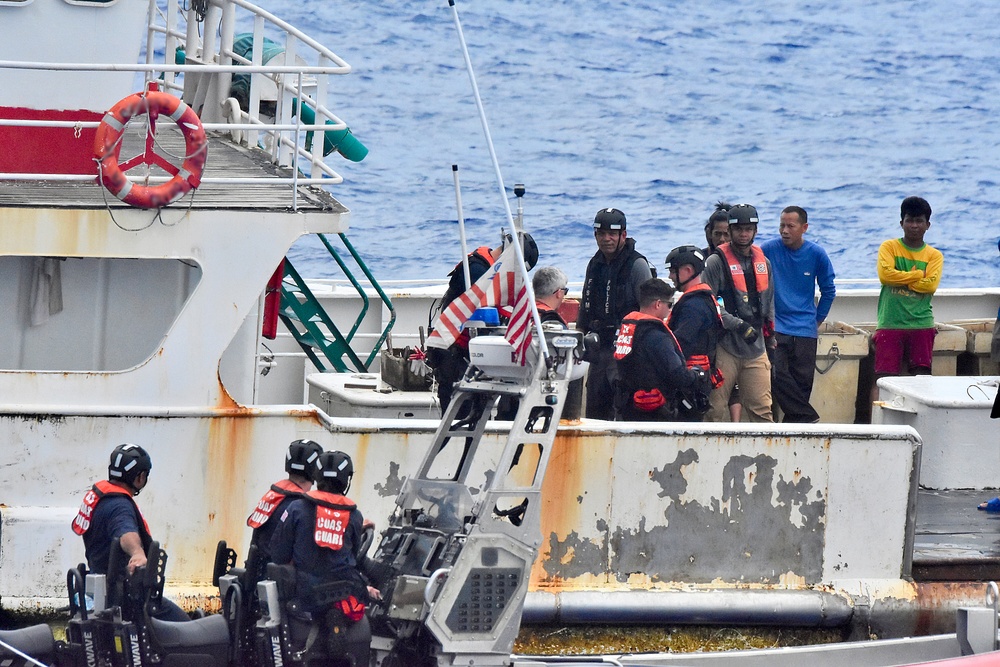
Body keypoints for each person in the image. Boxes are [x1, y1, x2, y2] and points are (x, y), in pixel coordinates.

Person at [269, 450, 378, 663]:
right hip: (341, 592)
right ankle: (338, 622)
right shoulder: (354, 516)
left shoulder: (296, 508)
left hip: (304, 593)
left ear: (317, 477)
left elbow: (278, 553)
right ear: (346, 481)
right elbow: (354, 557)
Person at [71, 443, 190, 622]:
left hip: (103, 589)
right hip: (126, 598)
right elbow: (125, 533)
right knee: (188, 628)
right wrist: (138, 553)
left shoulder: (101, 499)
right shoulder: (120, 506)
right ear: (140, 477)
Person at [429, 231, 538, 411]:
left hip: (469, 353)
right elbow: (486, 306)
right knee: (459, 412)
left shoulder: (488, 269)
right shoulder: (477, 271)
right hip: (454, 354)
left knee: (474, 409)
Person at [761, 206, 837, 423]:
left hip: (805, 328)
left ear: (804, 228)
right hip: (776, 326)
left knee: (802, 386)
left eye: (790, 226)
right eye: (781, 225)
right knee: (774, 374)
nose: (784, 231)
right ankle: (808, 416)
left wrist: (817, 319)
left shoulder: (816, 254)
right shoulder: (767, 250)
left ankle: (795, 427)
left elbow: (829, 290)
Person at [702, 203, 776, 422]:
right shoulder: (715, 262)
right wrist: (738, 325)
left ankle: (764, 456)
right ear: (731, 231)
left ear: (755, 231)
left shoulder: (765, 263)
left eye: (748, 229)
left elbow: (770, 303)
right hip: (725, 346)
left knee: (762, 410)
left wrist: (771, 338)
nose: (743, 234)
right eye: (739, 229)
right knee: (714, 409)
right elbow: (709, 302)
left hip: (756, 348)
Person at [578, 208, 654, 420]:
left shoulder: (637, 265)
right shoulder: (594, 264)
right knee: (595, 406)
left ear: (623, 234)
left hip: (626, 349)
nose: (606, 239)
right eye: (601, 234)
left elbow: (648, 311)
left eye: (612, 234)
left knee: (622, 405)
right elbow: (585, 303)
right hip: (598, 348)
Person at [871, 196, 943, 406]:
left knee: (921, 379)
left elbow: (930, 286)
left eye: (919, 221)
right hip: (889, 323)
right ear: (901, 222)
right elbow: (885, 276)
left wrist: (900, 277)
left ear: (927, 225)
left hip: (921, 323)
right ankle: (877, 422)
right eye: (909, 220)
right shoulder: (889, 247)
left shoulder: (934, 255)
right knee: (882, 379)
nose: (914, 225)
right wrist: (916, 275)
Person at [613, 278, 709, 421]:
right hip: (656, 412)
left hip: (628, 408)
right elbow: (678, 376)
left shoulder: (627, 330)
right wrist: (699, 374)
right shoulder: (657, 337)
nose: (670, 309)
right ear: (658, 304)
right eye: (669, 305)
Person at [665, 245, 724, 421]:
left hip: (689, 383)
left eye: (673, 271)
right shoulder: (705, 299)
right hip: (699, 378)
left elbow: (680, 344)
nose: (670, 277)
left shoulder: (693, 306)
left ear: (688, 270)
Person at [247, 439, 323, 567]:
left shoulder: (273, 495)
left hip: (258, 572)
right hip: (281, 578)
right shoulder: (301, 507)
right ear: (315, 471)